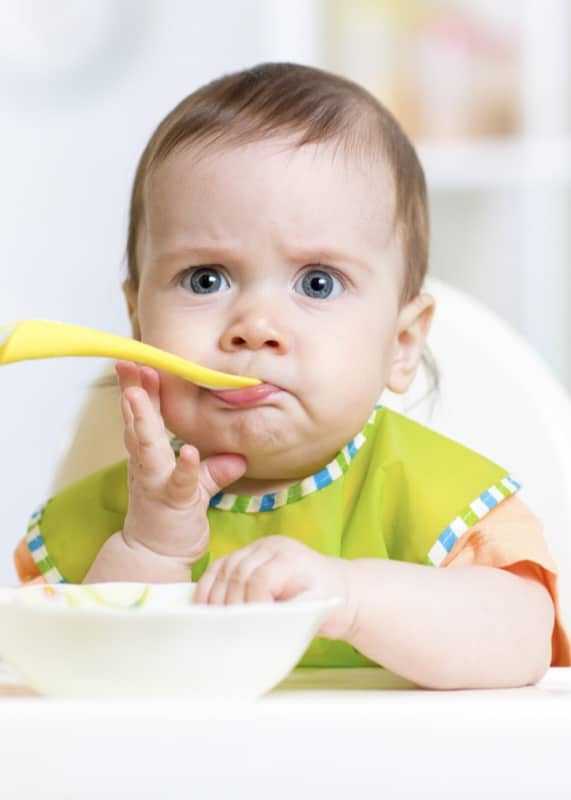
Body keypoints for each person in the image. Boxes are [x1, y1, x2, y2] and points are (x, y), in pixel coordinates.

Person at [14, 63, 569, 688]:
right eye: (206, 279)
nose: (255, 326)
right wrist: (152, 549)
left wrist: (351, 595)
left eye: (317, 283)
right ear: (138, 324)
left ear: (402, 343)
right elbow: (87, 686)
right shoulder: (112, 516)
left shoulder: (434, 499)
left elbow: (521, 643)